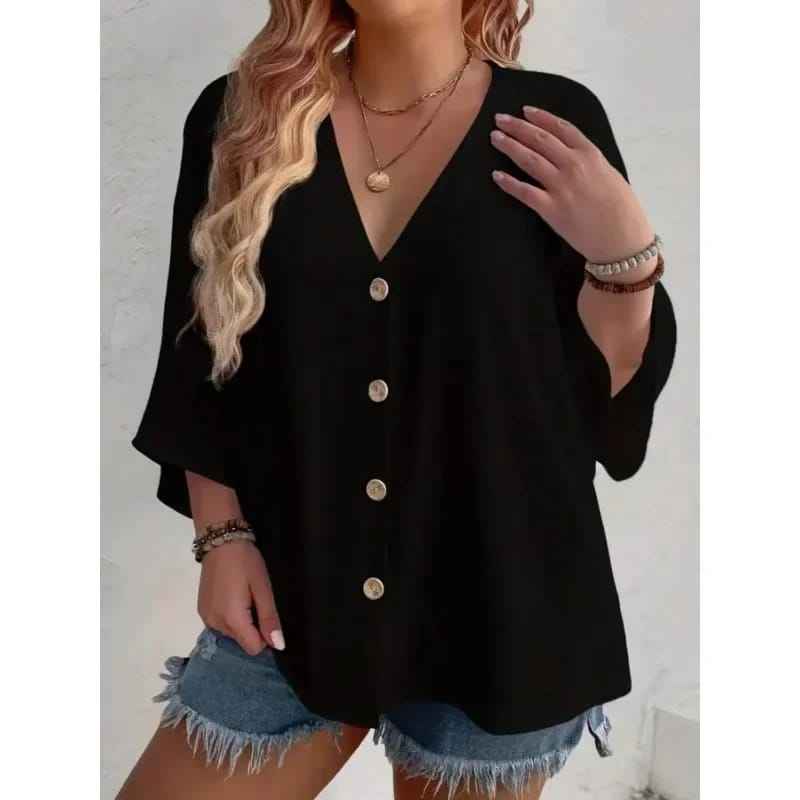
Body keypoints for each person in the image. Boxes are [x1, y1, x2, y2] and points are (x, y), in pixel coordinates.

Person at [117, 1, 677, 798]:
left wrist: (625, 256)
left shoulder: (550, 125)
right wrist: (222, 535)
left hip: (501, 606)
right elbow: (199, 348)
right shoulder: (241, 117)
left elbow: (598, 398)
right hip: (293, 597)